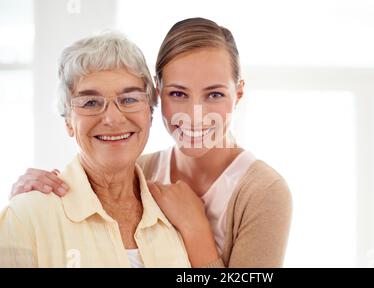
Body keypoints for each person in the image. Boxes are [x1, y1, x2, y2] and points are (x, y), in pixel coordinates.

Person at [10, 18, 292, 268]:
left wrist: (196, 230)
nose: (195, 115)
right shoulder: (136, 170)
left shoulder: (263, 191)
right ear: (157, 94)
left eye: (214, 95)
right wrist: (30, 198)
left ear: (239, 92)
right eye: (178, 94)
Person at [0, 33, 191, 268]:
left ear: (150, 113)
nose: (112, 118)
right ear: (69, 121)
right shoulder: (27, 216)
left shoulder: (175, 214)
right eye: (90, 102)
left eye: (129, 99)